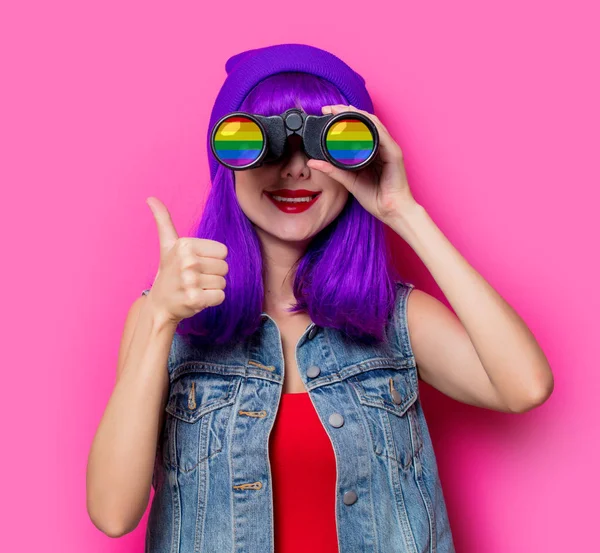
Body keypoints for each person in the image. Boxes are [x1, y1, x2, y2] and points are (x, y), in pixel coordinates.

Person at [86, 43, 554, 553]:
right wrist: (159, 318)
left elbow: (525, 387)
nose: (295, 169)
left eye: (319, 144)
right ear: (228, 162)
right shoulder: (163, 320)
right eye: (262, 142)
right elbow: (113, 513)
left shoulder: (395, 320)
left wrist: (403, 212)